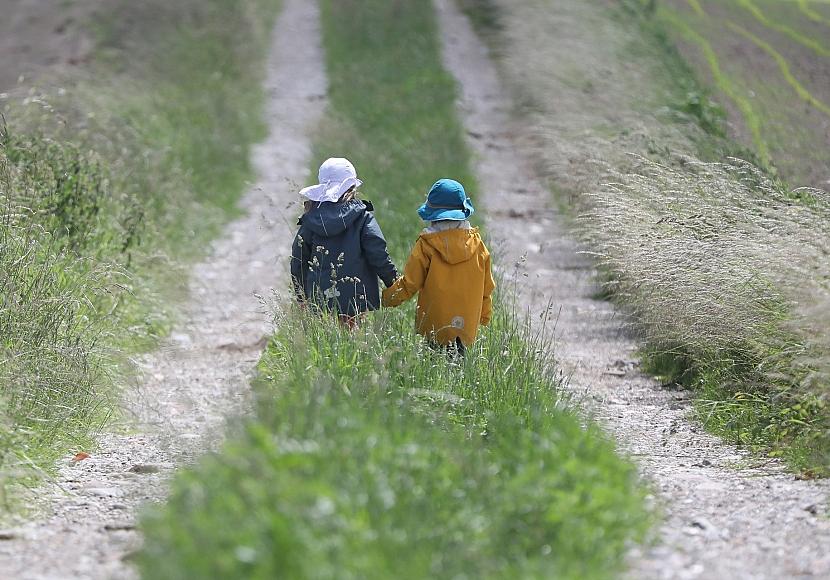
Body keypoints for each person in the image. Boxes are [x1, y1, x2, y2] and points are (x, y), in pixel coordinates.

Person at [382, 178, 495, 356]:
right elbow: (487, 287)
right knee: (458, 367)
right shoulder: (478, 245)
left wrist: (387, 299)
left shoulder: (427, 245)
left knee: (433, 366)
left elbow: (410, 283)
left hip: (434, 325)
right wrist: (484, 315)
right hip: (466, 324)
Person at [291, 157, 398, 327]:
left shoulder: (311, 219)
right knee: (351, 335)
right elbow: (378, 253)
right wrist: (393, 281)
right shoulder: (362, 218)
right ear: (352, 187)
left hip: (319, 295)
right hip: (355, 294)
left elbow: (298, 259)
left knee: (324, 337)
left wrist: (301, 295)